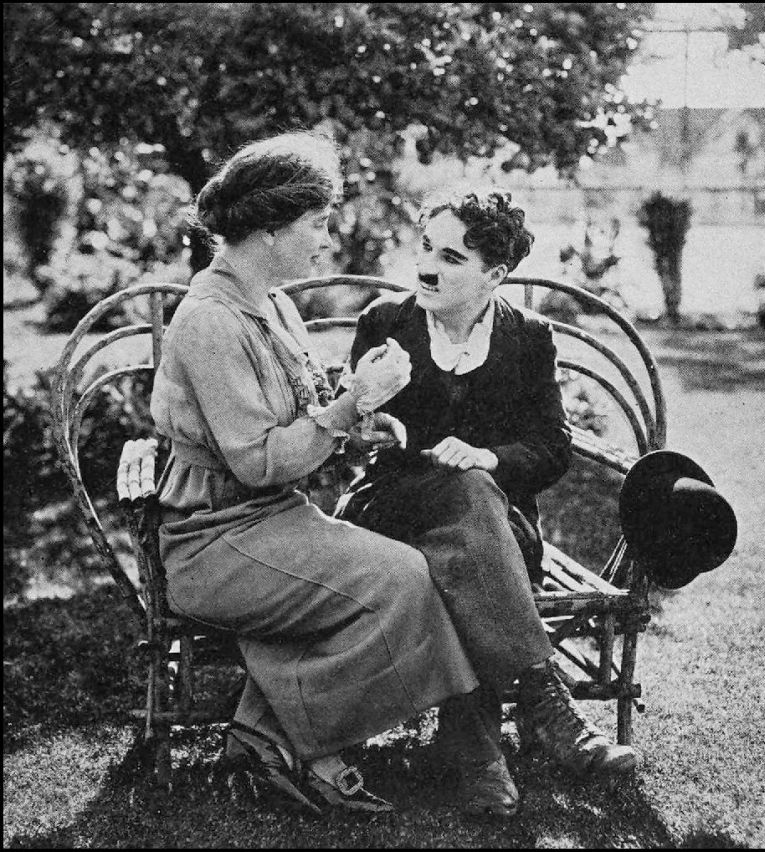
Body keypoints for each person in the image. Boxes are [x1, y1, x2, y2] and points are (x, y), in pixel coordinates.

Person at [149, 132, 482, 816]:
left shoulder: (271, 302)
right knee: (400, 579)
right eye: (317, 223)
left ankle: (268, 736)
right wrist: (350, 404)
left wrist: (364, 415)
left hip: (264, 521)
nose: (327, 240)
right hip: (211, 540)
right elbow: (260, 460)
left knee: (404, 570)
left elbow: (307, 410)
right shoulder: (210, 319)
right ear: (270, 228)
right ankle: (288, 741)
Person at [337, 190, 638, 816]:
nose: (426, 267)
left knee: (466, 522)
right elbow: (351, 432)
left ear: (494, 275)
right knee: (465, 535)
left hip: (493, 527)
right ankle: (541, 704)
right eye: (424, 248)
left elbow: (552, 447)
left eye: (449, 257)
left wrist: (490, 458)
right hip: (390, 514)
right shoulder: (385, 322)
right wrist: (367, 428)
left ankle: (477, 755)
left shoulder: (526, 338)